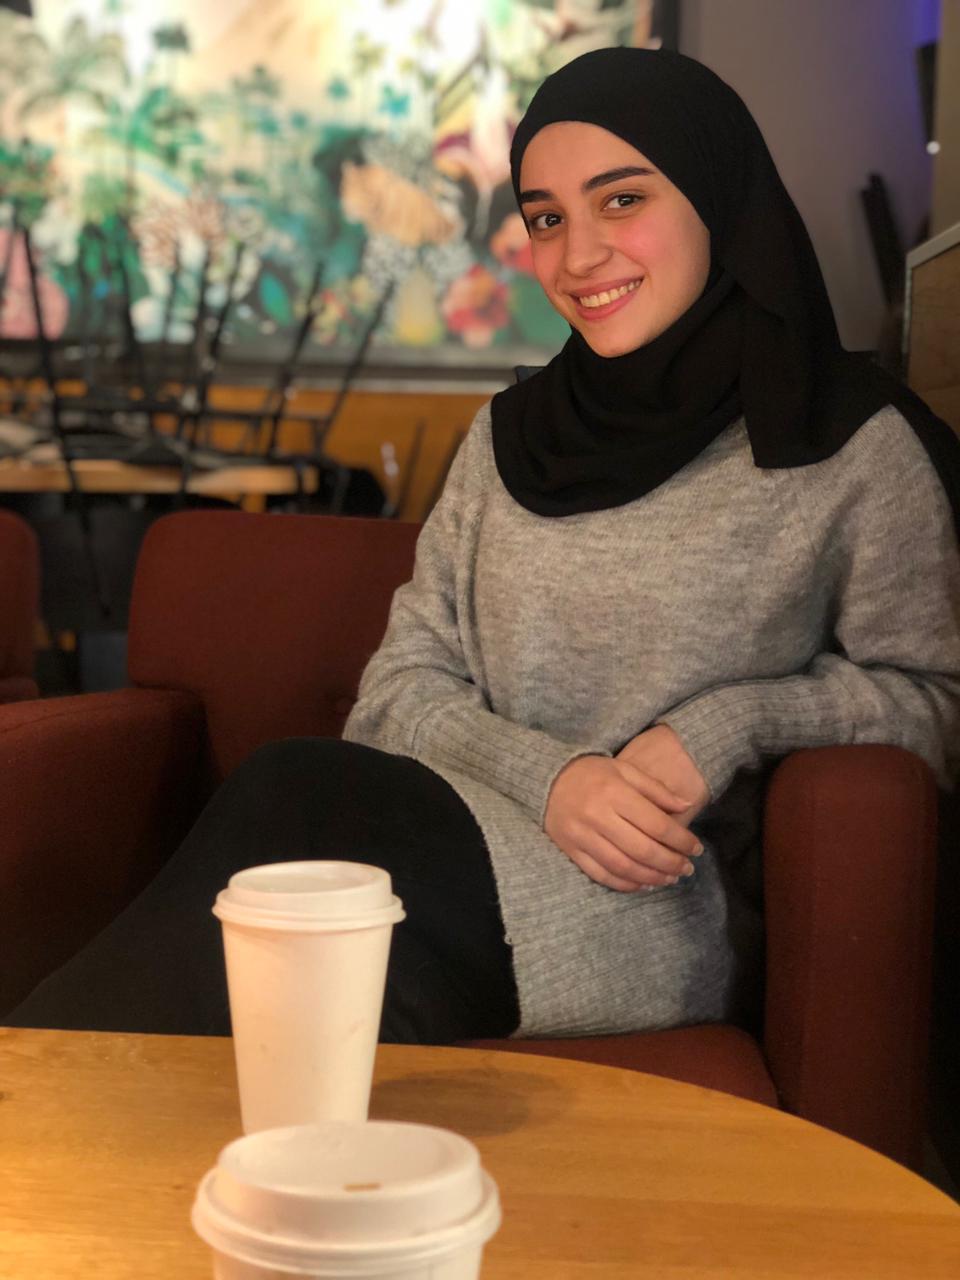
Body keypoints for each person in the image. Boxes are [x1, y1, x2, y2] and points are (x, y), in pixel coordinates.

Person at [8, 47, 960, 1045]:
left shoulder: (847, 443)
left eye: (621, 200)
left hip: (655, 898)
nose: (578, 256)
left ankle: (34, 1087)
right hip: (460, 835)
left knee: (293, 862)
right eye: (546, 218)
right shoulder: (507, 437)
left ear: (718, 199)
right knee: (290, 940)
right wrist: (553, 781)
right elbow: (396, 689)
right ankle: (43, 1095)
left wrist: (728, 725)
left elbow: (935, 700)